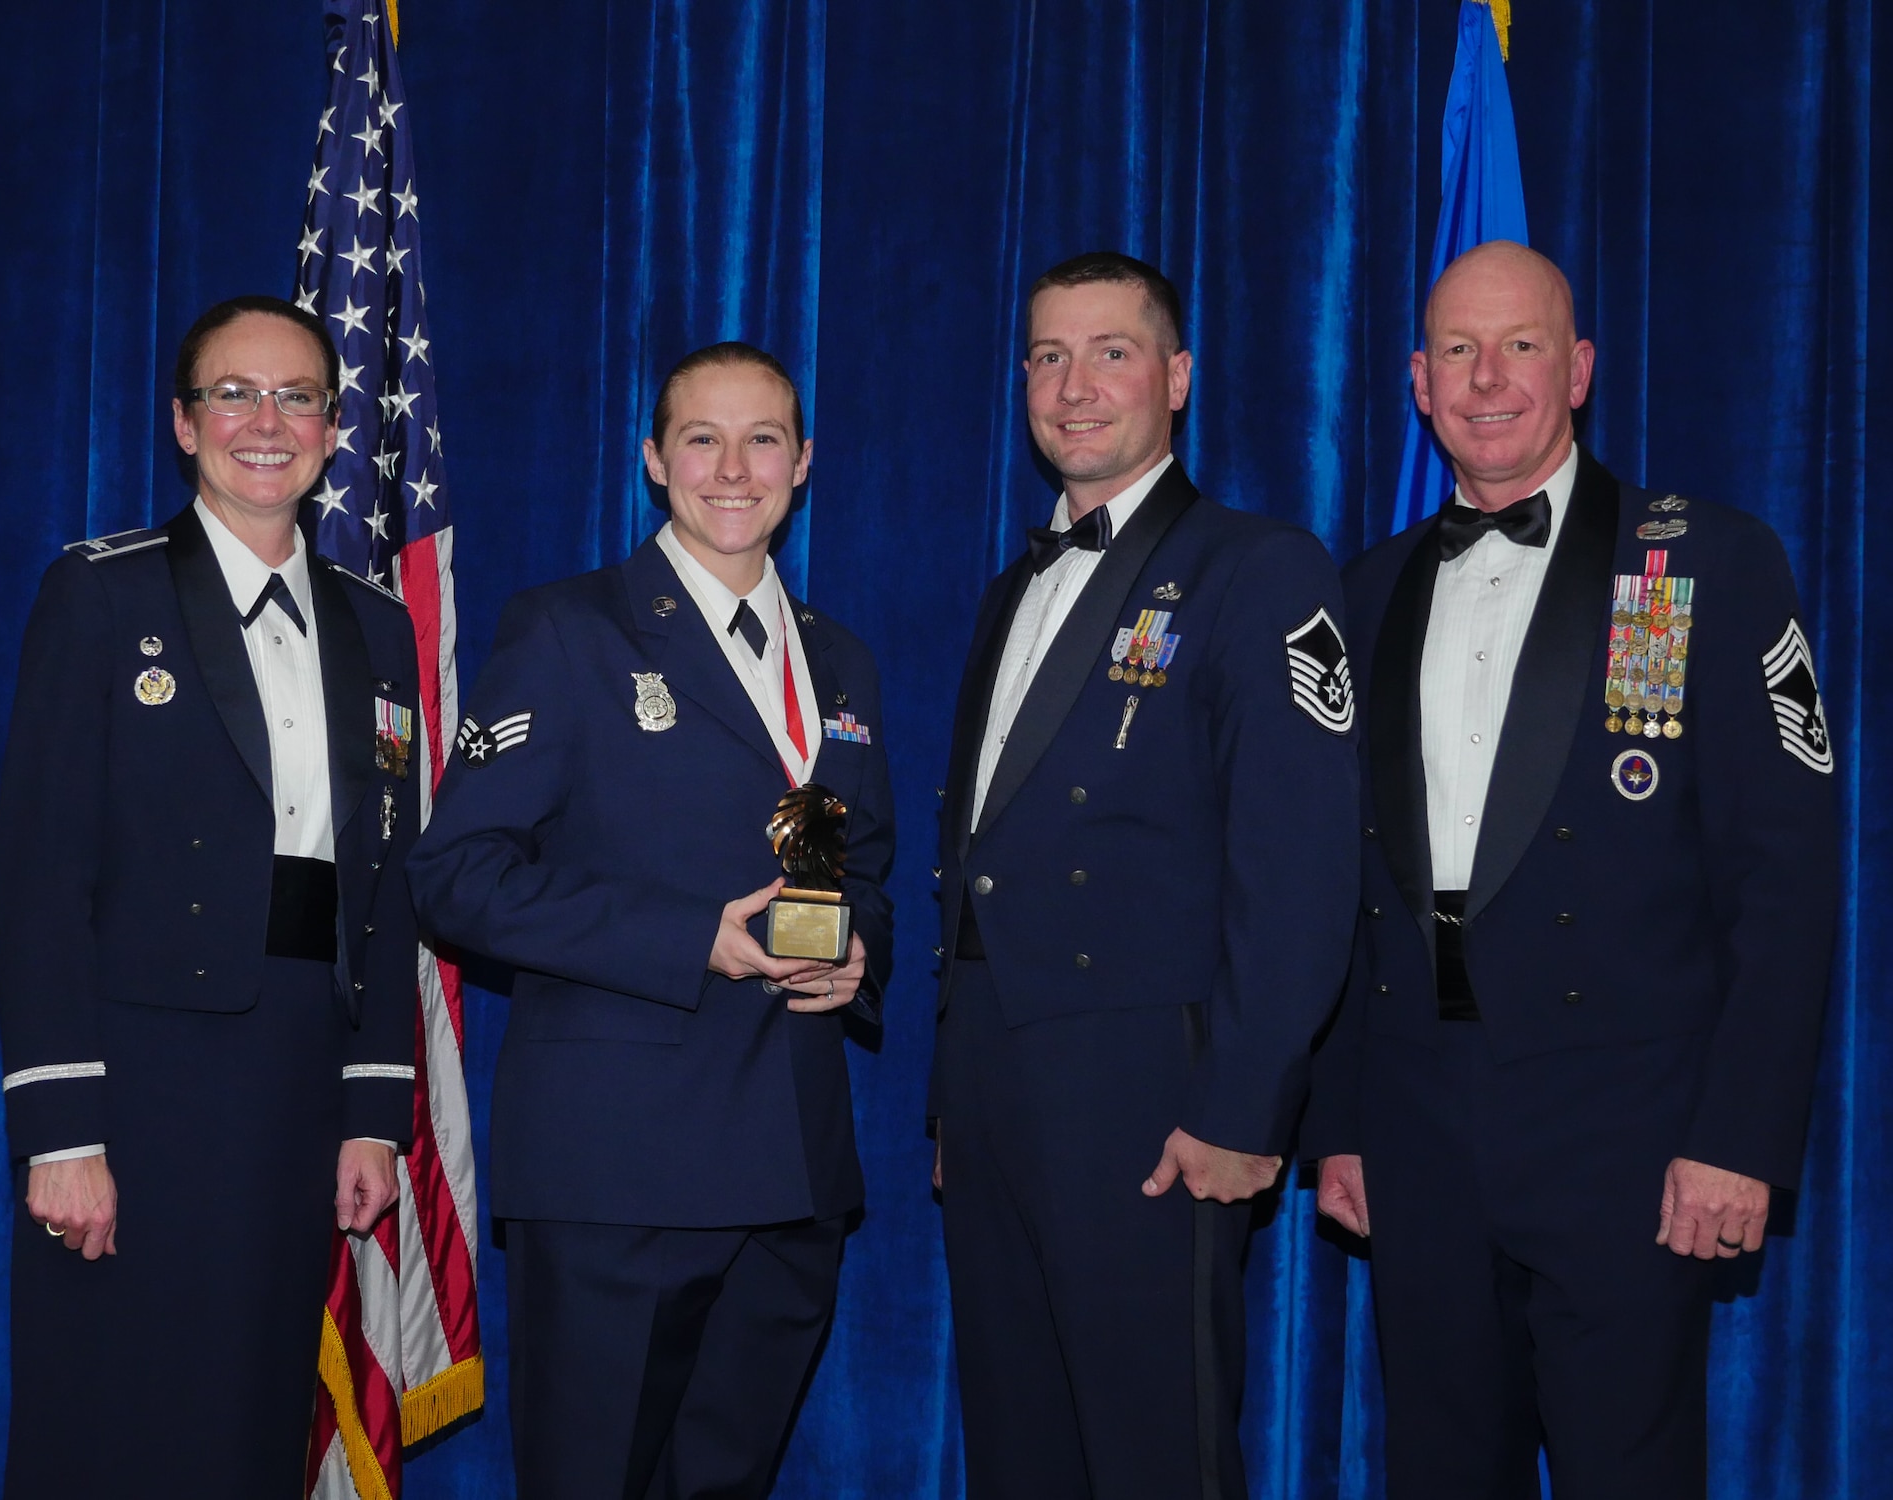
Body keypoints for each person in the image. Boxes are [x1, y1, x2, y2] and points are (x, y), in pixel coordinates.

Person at [1304, 241, 1840, 1499]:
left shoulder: (1701, 561)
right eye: (1456, 351)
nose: (1488, 378)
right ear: (1416, 384)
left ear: (1579, 367)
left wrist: (1738, 1139)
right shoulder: (1365, 591)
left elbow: (1786, 877)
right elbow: (1342, 887)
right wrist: (1337, 1123)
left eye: (1522, 345)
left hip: (1633, 1138)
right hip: (1418, 1129)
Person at [406, 341, 894, 1499]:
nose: (734, 468)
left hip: (794, 1168)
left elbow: (851, 860)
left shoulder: (838, 663)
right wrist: (686, 939)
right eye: (701, 439)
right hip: (618, 1170)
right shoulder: (569, 631)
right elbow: (454, 874)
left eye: (763, 438)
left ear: (804, 461)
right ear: (652, 462)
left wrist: (852, 952)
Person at [929, 252, 1358, 1499]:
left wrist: (1243, 1106)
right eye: (1048, 357)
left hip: (1151, 1094)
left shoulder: (1257, 568)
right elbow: (979, 863)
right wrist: (959, 1099)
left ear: (1174, 377)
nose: (1074, 387)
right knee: (1021, 1451)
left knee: (1152, 1453)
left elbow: (1299, 864)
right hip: (1001, 1093)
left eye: (1109, 352)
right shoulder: (1012, 587)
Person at [0, 294, 420, 1497]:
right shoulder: (102, 595)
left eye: (297, 398)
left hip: (297, 1077)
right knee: (111, 1412)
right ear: (184, 425)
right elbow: (38, 880)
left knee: (250, 1414)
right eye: (235, 393)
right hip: (136, 1083)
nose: (266, 421)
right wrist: (62, 1132)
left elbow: (388, 887)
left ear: (336, 431)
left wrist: (371, 1109)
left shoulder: (379, 631)